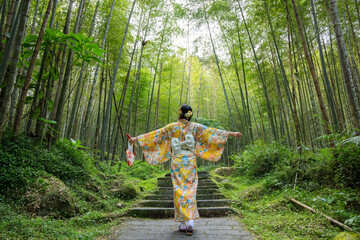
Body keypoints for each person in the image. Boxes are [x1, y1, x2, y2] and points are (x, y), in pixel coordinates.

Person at [128, 105, 242, 236]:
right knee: (190, 189)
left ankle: (182, 224)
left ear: (179, 114)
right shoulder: (195, 127)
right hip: (189, 161)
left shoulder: (172, 127)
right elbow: (212, 132)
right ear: (190, 115)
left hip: (177, 161)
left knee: (178, 190)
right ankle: (190, 222)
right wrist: (231, 134)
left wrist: (135, 139)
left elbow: (155, 134)